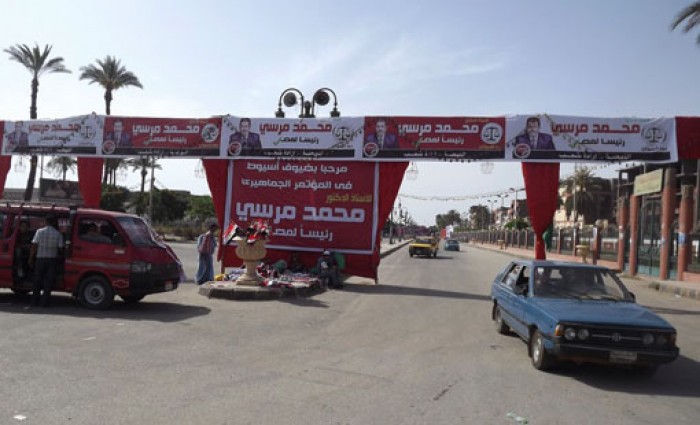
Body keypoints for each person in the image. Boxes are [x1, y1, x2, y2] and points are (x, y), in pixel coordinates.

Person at [28, 215, 64, 308]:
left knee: (37, 280)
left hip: (40, 259)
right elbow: (61, 248)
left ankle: (34, 301)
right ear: (54, 222)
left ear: (46, 222)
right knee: (48, 282)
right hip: (52, 260)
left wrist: (31, 258)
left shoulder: (39, 232)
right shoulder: (58, 234)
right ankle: (44, 302)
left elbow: (34, 246)